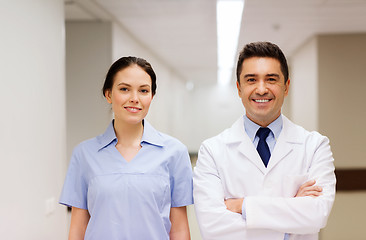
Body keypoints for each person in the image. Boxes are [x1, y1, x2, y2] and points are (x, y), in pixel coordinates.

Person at [193, 42, 336, 240]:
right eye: (251, 80)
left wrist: (242, 206)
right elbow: (213, 228)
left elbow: (316, 215)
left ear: (286, 87)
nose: (261, 89)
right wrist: (290, 219)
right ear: (239, 88)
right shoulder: (212, 151)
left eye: (271, 79)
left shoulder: (315, 146)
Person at [59, 56, 193, 240]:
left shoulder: (175, 152)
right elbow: (78, 228)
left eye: (144, 91)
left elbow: (179, 229)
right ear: (108, 95)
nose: (134, 98)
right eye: (124, 89)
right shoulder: (84, 154)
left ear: (152, 96)